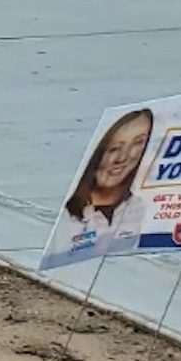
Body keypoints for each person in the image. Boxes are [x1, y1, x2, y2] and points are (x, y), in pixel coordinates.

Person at [47, 107, 155, 264]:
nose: (122, 158)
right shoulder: (67, 214)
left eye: (138, 143)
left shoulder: (138, 208)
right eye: (114, 148)